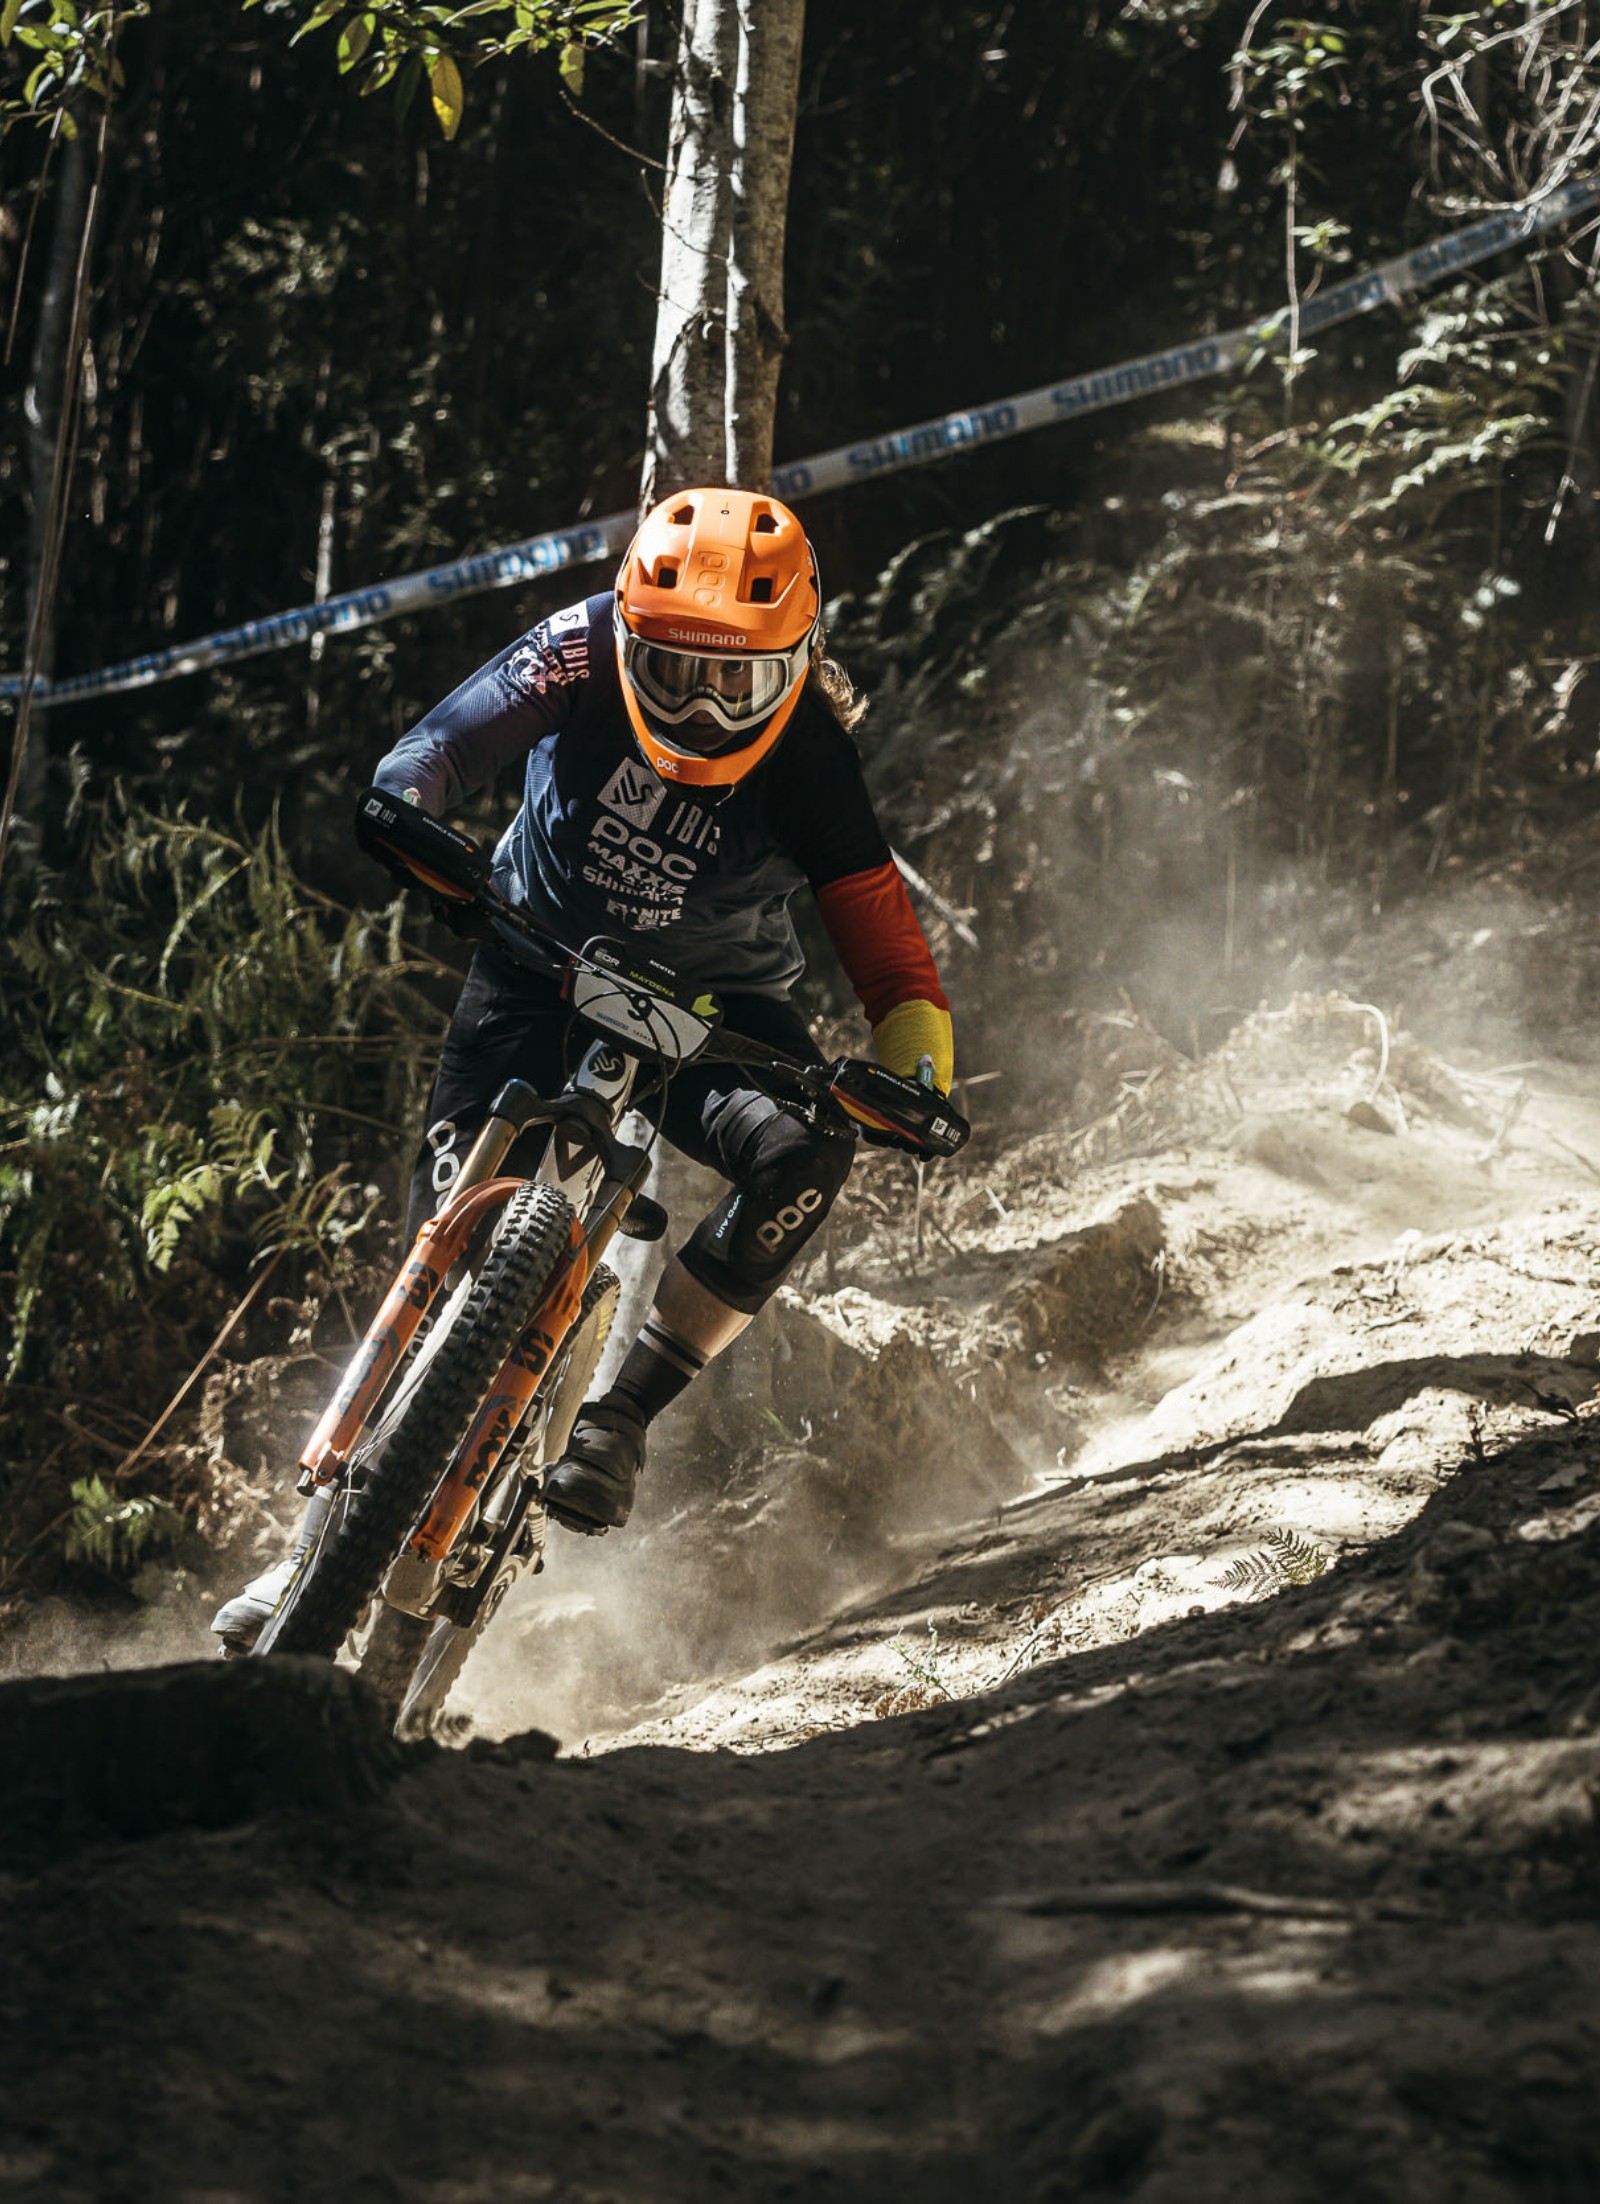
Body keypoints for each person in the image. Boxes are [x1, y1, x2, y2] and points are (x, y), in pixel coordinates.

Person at [212, 487, 953, 1649]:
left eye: (737, 682)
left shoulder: (812, 752)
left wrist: (918, 1079)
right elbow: (437, 748)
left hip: (714, 1014)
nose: (701, 707)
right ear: (625, 634)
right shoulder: (575, 645)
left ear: (799, 662)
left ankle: (622, 1415)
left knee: (805, 1146)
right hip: (537, 960)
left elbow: (896, 968)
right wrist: (406, 807)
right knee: (440, 1245)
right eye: (672, 670)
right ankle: (309, 1546)